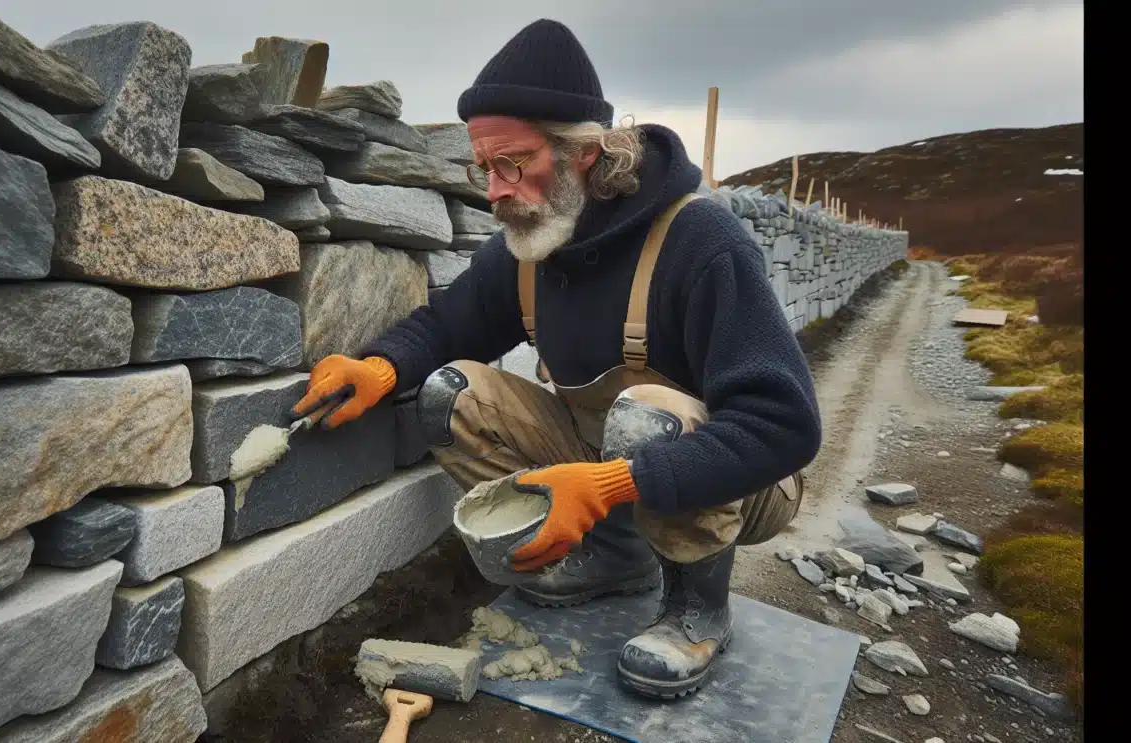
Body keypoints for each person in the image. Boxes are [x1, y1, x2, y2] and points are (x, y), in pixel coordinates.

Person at [291, 18, 822, 699]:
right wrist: (382, 367)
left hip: (740, 480)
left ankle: (696, 608)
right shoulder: (531, 247)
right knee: (450, 393)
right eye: (484, 166)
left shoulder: (703, 242)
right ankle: (614, 558)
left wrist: (605, 486)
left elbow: (787, 425)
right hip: (612, 453)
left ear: (583, 152)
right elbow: (448, 326)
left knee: (645, 415)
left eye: (513, 163)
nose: (494, 190)